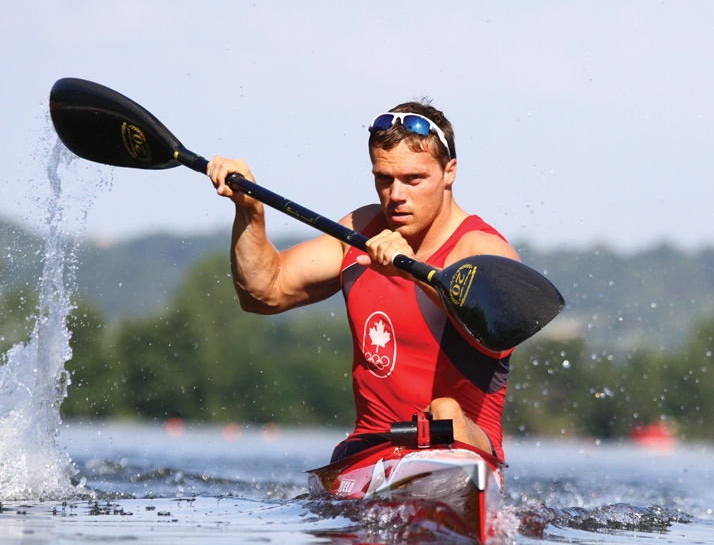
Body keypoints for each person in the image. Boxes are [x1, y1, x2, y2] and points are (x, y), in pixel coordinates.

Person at [206, 101, 518, 464]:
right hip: (371, 453)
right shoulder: (361, 231)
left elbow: (504, 322)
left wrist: (413, 270)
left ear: (450, 172)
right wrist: (249, 211)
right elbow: (263, 292)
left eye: (414, 179)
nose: (396, 195)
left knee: (444, 411)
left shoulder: (480, 248)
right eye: (384, 179)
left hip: (463, 450)